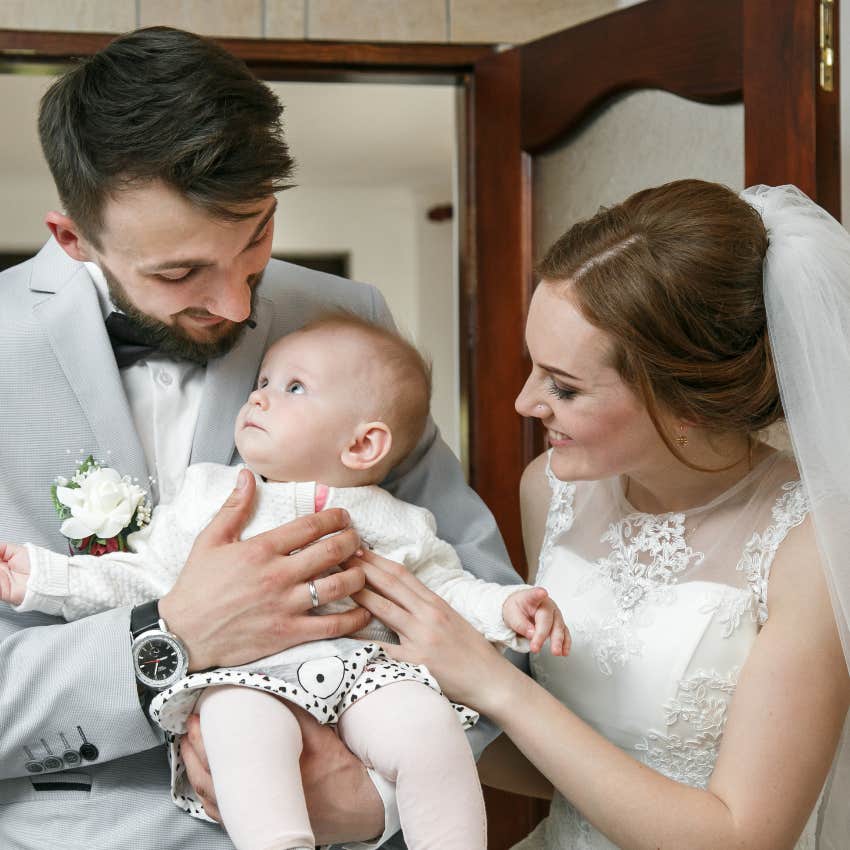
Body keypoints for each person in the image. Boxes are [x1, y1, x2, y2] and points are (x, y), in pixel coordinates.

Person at [0, 26, 524, 850]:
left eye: (256, 239)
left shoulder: (345, 318)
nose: (240, 309)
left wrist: (378, 804)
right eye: (180, 274)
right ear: (73, 239)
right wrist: (167, 632)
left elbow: (478, 611)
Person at [350, 179, 850, 849]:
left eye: (564, 385)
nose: (527, 401)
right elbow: (566, 768)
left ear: (686, 401)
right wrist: (396, 674)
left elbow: (745, 836)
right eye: (534, 367)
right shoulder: (550, 492)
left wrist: (497, 685)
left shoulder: (813, 543)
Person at [0, 314, 568, 850]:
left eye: (293, 388)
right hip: (245, 681)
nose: (259, 395)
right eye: (263, 379)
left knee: (429, 729)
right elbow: (145, 577)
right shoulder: (210, 495)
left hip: (367, 676)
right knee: (242, 738)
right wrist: (48, 578)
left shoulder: (396, 519)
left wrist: (507, 607)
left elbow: (442, 589)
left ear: (363, 444)